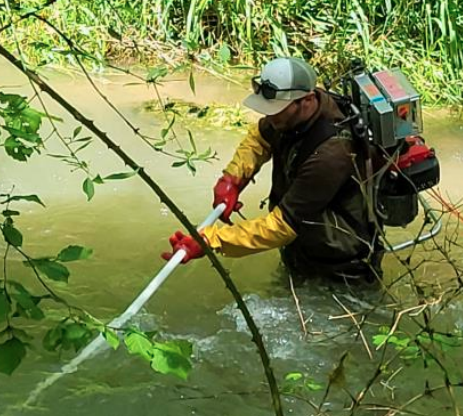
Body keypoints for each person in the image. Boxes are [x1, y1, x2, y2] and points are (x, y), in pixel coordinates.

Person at [163, 57, 382, 283]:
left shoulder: (332, 153)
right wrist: (233, 179)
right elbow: (260, 138)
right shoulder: (289, 114)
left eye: (276, 110)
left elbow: (282, 226)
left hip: (340, 267)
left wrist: (211, 240)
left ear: (306, 100)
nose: (270, 115)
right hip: (302, 248)